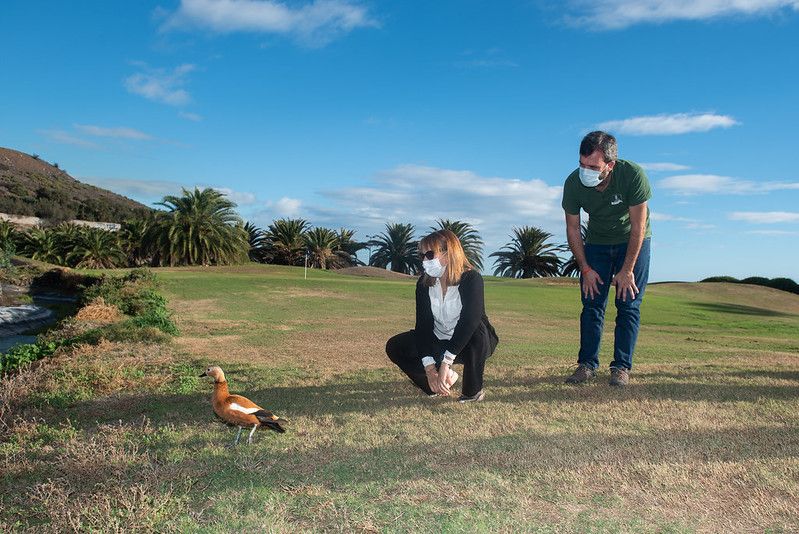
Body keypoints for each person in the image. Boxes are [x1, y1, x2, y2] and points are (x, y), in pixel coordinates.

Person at [562, 131, 652, 386]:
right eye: (581, 164)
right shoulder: (573, 183)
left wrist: (627, 270)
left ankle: (621, 367)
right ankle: (587, 365)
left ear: (610, 165)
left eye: (592, 166)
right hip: (597, 242)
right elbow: (572, 228)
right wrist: (586, 268)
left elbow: (638, 226)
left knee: (628, 304)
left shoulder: (633, 175)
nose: (585, 171)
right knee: (591, 304)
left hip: (632, 240)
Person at [386, 229, 499, 402]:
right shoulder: (424, 284)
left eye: (429, 255)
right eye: (422, 255)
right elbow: (423, 326)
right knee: (396, 346)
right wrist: (430, 369)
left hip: (470, 343)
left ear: (448, 253)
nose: (425, 260)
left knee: (477, 330)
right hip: (440, 339)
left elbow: (470, 320)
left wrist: (446, 362)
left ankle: (472, 392)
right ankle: (433, 385)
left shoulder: (471, 279)